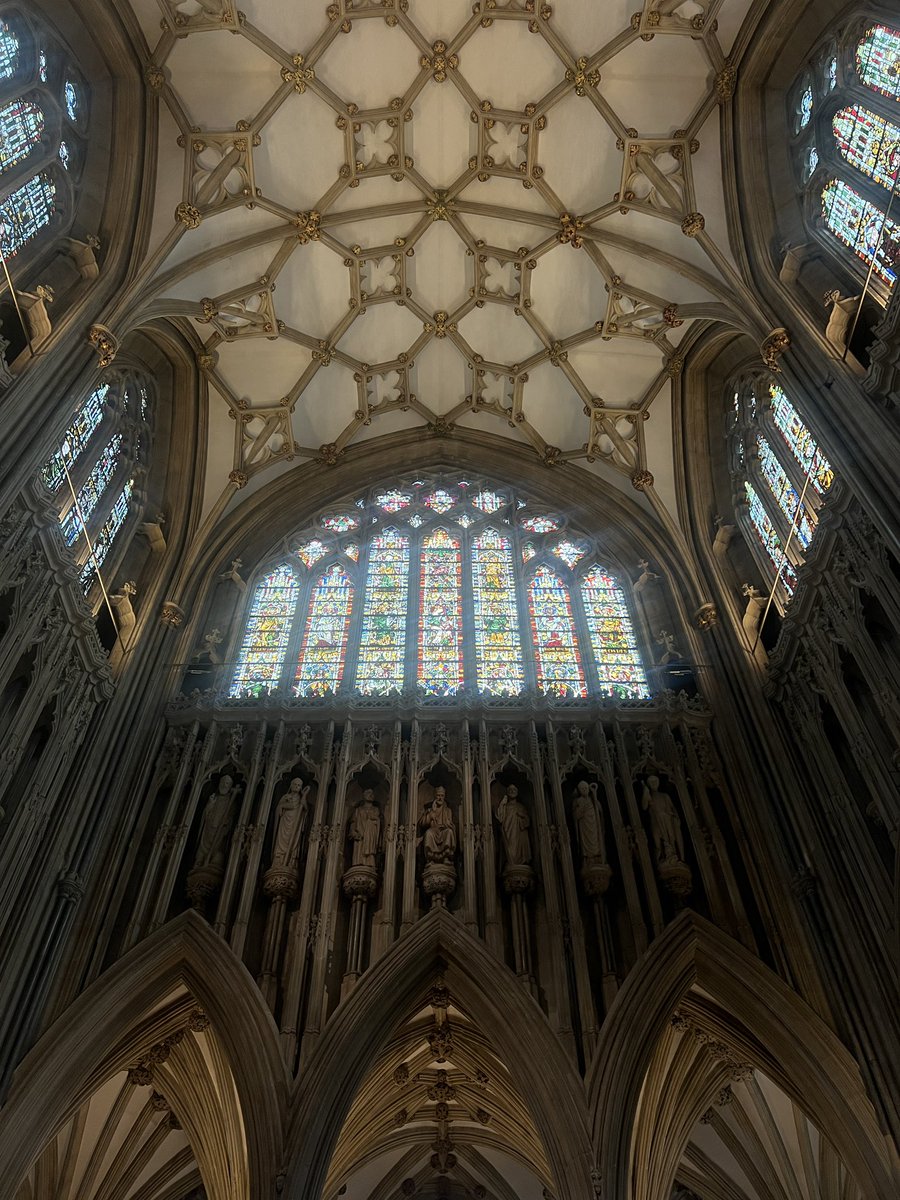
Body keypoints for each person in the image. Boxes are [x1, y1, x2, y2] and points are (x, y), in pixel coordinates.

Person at [194, 775, 240, 870]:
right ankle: (200, 862)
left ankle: (212, 861)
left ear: (230, 786)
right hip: (208, 830)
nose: (224, 785)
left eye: (227, 783)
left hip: (220, 832)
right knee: (200, 855)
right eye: (222, 782)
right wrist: (210, 804)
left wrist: (227, 821)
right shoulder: (214, 798)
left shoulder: (231, 802)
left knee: (218, 856)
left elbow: (231, 817)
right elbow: (206, 814)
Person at [641, 775, 685, 863]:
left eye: (655, 782)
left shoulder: (665, 796)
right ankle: (661, 858)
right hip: (656, 821)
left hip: (667, 819)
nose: (654, 784)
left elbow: (672, 807)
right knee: (657, 841)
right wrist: (645, 794)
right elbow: (644, 806)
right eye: (651, 782)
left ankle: (674, 856)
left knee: (671, 838)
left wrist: (675, 816)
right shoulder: (649, 796)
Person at [271, 777, 310, 871]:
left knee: (294, 841)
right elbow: (279, 810)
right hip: (284, 823)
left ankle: (291, 862)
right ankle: (278, 862)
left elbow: (305, 810)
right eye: (295, 784)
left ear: (301, 787)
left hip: (295, 823)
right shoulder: (285, 797)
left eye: (299, 785)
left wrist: (303, 800)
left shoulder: (301, 798)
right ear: (291, 785)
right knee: (281, 841)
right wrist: (283, 806)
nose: (296, 786)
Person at [419, 786, 456, 862]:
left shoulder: (448, 811)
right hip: (433, 831)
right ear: (435, 797)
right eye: (438, 795)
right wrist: (430, 815)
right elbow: (422, 823)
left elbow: (451, 825)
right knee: (428, 833)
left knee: (449, 832)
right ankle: (431, 858)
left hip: (443, 831)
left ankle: (446, 858)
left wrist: (448, 825)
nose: (440, 798)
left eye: (442, 796)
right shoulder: (429, 810)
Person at [572, 780, 605, 863]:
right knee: (586, 841)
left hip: (594, 825)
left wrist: (594, 796)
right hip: (584, 827)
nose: (584, 790)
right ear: (579, 790)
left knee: (596, 839)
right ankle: (587, 859)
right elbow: (576, 815)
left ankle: (598, 857)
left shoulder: (593, 799)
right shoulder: (578, 801)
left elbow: (600, 811)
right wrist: (582, 809)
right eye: (582, 789)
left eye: (586, 788)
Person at [497, 784, 531, 866]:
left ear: (517, 792)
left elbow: (527, 822)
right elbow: (500, 818)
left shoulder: (520, 807)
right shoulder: (505, 806)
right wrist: (502, 804)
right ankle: (511, 861)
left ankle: (520, 860)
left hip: (519, 835)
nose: (512, 791)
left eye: (514, 790)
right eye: (510, 790)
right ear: (507, 792)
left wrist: (522, 816)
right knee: (510, 850)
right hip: (508, 832)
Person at [350, 788, 381, 868]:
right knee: (358, 853)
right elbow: (353, 822)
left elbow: (377, 822)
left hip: (370, 837)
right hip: (360, 838)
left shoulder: (375, 809)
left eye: (372, 793)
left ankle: (370, 863)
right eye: (368, 793)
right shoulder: (358, 810)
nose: (371, 795)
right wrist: (353, 832)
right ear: (363, 795)